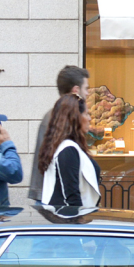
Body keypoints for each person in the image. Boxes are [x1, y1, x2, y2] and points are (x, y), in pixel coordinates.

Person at [28, 66, 89, 201]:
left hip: (51, 197)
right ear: (76, 90)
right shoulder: (58, 118)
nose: (88, 93)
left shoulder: (52, 116)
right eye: (86, 88)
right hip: (57, 201)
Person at [36, 94, 100, 208]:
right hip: (67, 220)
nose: (90, 119)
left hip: (65, 218)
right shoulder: (68, 149)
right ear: (75, 118)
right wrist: (78, 222)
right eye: (86, 114)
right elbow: (72, 196)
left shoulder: (65, 146)